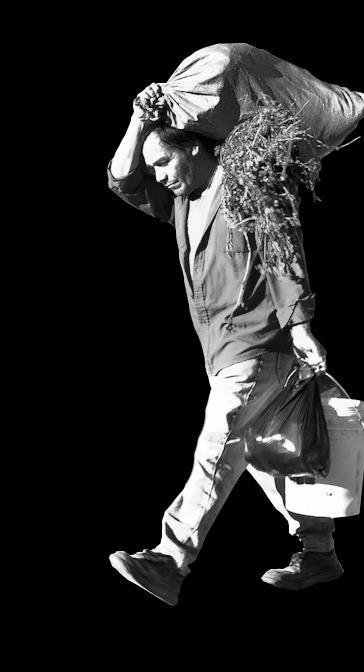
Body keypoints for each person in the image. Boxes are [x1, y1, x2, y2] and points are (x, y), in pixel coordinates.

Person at [107, 83, 344, 606]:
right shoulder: (183, 201)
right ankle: (319, 550)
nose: (158, 176)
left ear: (194, 146)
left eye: (163, 162)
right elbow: (122, 179)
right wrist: (139, 121)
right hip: (221, 351)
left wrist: (300, 324)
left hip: (258, 341)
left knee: (217, 444)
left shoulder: (247, 181)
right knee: (265, 456)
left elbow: (282, 247)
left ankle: (171, 558)